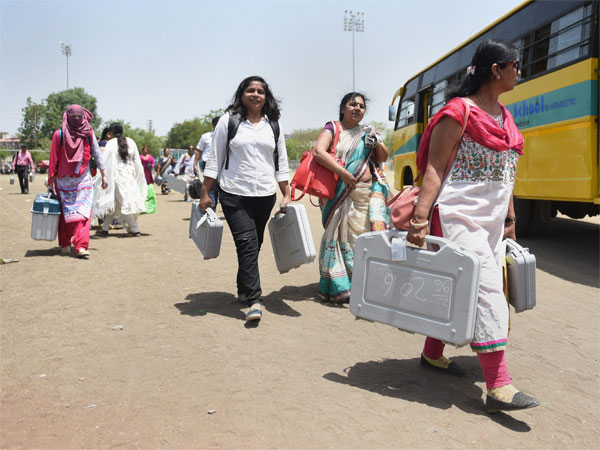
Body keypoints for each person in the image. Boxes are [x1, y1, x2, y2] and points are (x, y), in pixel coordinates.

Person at [406, 39, 539, 413]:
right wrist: (419, 219)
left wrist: (510, 218)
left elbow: (506, 176)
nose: (519, 70)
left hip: (492, 221)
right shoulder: (457, 112)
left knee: (461, 289)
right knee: (486, 290)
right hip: (456, 215)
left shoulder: (505, 117)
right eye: (514, 65)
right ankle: (499, 387)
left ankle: (432, 353)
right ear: (495, 70)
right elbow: (434, 168)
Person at [200, 75, 291, 322]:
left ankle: (242, 286)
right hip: (234, 194)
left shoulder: (274, 124)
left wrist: (286, 192)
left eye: (260, 91)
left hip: (264, 194)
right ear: (241, 95)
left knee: (255, 244)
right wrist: (205, 191)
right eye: (250, 90)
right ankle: (255, 300)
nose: (255, 95)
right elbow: (215, 158)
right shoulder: (228, 121)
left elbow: (280, 160)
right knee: (247, 244)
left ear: (266, 96)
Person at [313, 92, 391, 304]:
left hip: (364, 194)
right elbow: (319, 152)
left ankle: (362, 282)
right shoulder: (333, 128)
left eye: (361, 106)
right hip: (338, 193)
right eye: (352, 104)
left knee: (362, 237)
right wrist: (344, 174)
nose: (357, 108)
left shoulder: (368, 131)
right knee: (338, 236)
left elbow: (383, 157)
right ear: (343, 108)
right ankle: (340, 284)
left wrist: (375, 142)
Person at [48, 105, 108, 258]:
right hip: (63, 182)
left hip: (83, 180)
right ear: (67, 116)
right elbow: (53, 158)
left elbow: (96, 152)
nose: (76, 119)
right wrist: (50, 181)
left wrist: (104, 174)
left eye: (79, 116)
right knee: (70, 213)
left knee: (82, 212)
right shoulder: (59, 135)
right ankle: (66, 243)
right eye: (73, 116)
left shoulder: (88, 133)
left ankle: (79, 245)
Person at [93, 122, 147, 237]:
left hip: (116, 177)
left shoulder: (111, 143)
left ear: (110, 133)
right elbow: (137, 161)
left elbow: (103, 160)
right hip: (129, 176)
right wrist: (138, 176)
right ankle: (105, 228)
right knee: (115, 202)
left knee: (123, 202)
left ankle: (134, 229)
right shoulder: (131, 141)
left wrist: (100, 175)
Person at [195, 116, 220, 208]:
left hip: (221, 165)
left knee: (219, 190)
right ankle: (211, 212)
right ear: (213, 125)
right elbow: (199, 151)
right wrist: (195, 164)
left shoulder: (227, 135)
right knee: (211, 189)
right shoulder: (206, 136)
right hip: (208, 164)